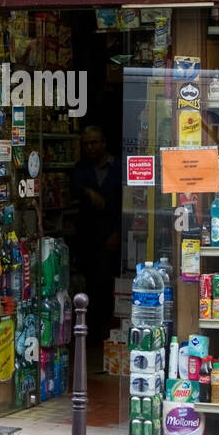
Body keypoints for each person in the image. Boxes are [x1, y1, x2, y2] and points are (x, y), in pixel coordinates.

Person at [71, 125, 123, 342]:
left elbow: (126, 203)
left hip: (111, 236)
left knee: (108, 286)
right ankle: (90, 335)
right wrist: (87, 192)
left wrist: (118, 232)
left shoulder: (118, 168)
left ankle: (106, 332)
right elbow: (73, 190)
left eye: (94, 143)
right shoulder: (80, 169)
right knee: (89, 286)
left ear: (103, 143)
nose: (90, 147)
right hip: (87, 238)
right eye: (86, 144)